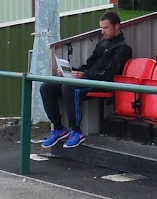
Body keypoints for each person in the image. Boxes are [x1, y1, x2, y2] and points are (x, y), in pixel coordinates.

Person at [40, 10, 132, 149]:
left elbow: (109, 74)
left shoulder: (123, 48)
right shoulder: (102, 44)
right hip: (89, 79)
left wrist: (84, 75)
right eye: (101, 28)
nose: (102, 31)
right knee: (46, 87)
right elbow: (89, 64)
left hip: (102, 83)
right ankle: (58, 128)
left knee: (69, 87)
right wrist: (72, 71)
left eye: (106, 28)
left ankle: (76, 131)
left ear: (117, 26)